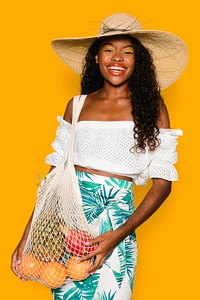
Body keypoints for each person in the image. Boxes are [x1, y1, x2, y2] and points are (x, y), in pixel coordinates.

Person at [11, 13, 188, 300]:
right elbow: (53, 176)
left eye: (127, 51)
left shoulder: (153, 108)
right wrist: (27, 236)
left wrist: (117, 236)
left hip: (116, 226)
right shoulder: (77, 105)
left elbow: (163, 183)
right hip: (66, 226)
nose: (117, 58)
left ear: (137, 61)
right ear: (96, 57)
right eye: (108, 49)